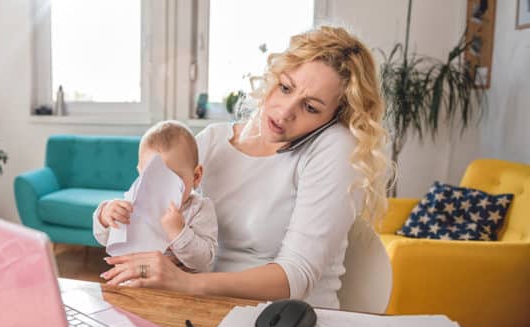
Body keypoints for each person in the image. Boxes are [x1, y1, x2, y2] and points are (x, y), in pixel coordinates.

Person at [101, 26, 391, 308]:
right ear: (274, 78)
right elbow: (144, 213)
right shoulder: (213, 141)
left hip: (285, 322)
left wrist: (186, 283)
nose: (285, 111)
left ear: (332, 118)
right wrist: (112, 219)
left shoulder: (333, 147)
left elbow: (296, 275)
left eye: (311, 107)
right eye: (286, 87)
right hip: (202, 309)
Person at [93, 120, 219, 273]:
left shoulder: (199, 208)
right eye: (151, 177)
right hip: (135, 280)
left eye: (174, 179)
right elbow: (104, 238)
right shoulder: (134, 203)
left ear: (196, 177)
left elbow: (204, 260)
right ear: (140, 174)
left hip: (180, 289)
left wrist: (178, 232)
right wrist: (105, 217)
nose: (162, 188)